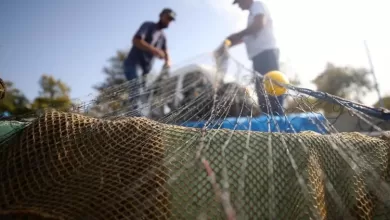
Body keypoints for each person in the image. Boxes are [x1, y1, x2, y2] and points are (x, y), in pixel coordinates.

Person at [224, 0, 284, 115]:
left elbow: (258, 25)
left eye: (239, 2)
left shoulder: (257, 5)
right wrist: (230, 42)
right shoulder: (251, 15)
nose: (239, 6)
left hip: (266, 54)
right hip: (258, 57)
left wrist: (237, 35)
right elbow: (246, 37)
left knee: (271, 90)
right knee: (262, 92)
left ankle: (277, 121)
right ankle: (268, 120)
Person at [123, 8, 176, 115]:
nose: (169, 21)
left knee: (146, 94)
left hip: (146, 71)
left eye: (171, 20)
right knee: (137, 89)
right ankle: (135, 120)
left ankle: (141, 117)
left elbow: (166, 54)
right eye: (168, 18)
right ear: (161, 15)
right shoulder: (148, 25)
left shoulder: (163, 37)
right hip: (133, 64)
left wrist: (168, 62)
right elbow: (136, 41)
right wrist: (155, 50)